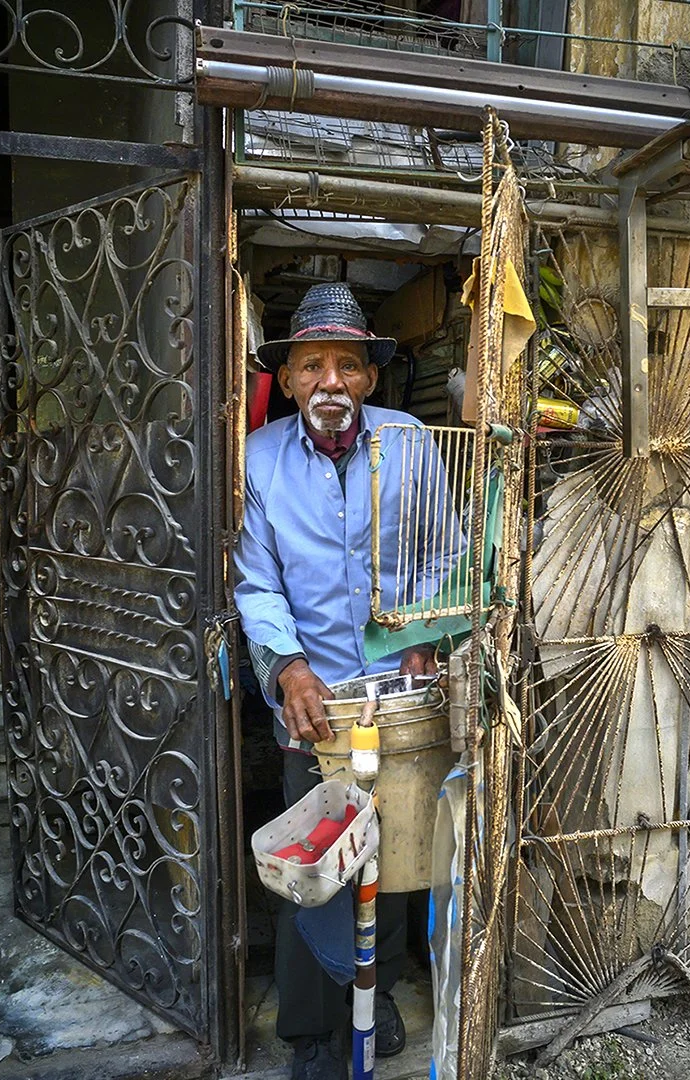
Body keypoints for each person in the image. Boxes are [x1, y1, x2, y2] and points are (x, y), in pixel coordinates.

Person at [235, 282, 444, 1080]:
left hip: (399, 703)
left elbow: (443, 554)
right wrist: (288, 668)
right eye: (312, 366)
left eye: (347, 365)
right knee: (315, 865)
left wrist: (425, 636)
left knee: (387, 861)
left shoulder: (410, 442)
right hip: (314, 707)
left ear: (369, 378)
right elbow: (256, 583)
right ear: (288, 380)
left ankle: (374, 994)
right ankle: (313, 1031)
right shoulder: (258, 459)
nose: (331, 382)